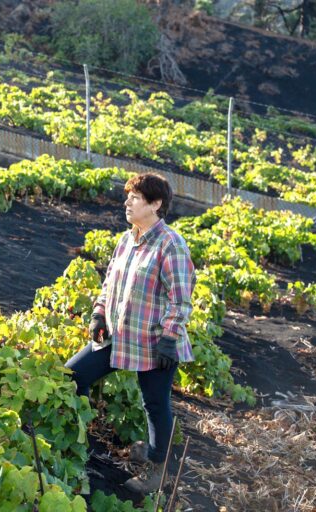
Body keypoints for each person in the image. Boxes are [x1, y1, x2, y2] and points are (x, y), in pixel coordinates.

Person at [65, 172, 195, 494]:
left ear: (155, 204)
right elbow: (109, 284)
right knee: (70, 377)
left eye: (134, 198)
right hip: (118, 336)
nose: (127, 202)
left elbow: (181, 300)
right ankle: (80, 443)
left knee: (155, 403)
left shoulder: (171, 245)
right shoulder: (126, 240)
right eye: (128, 196)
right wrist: (98, 315)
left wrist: (169, 339)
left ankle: (156, 468)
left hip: (154, 342)